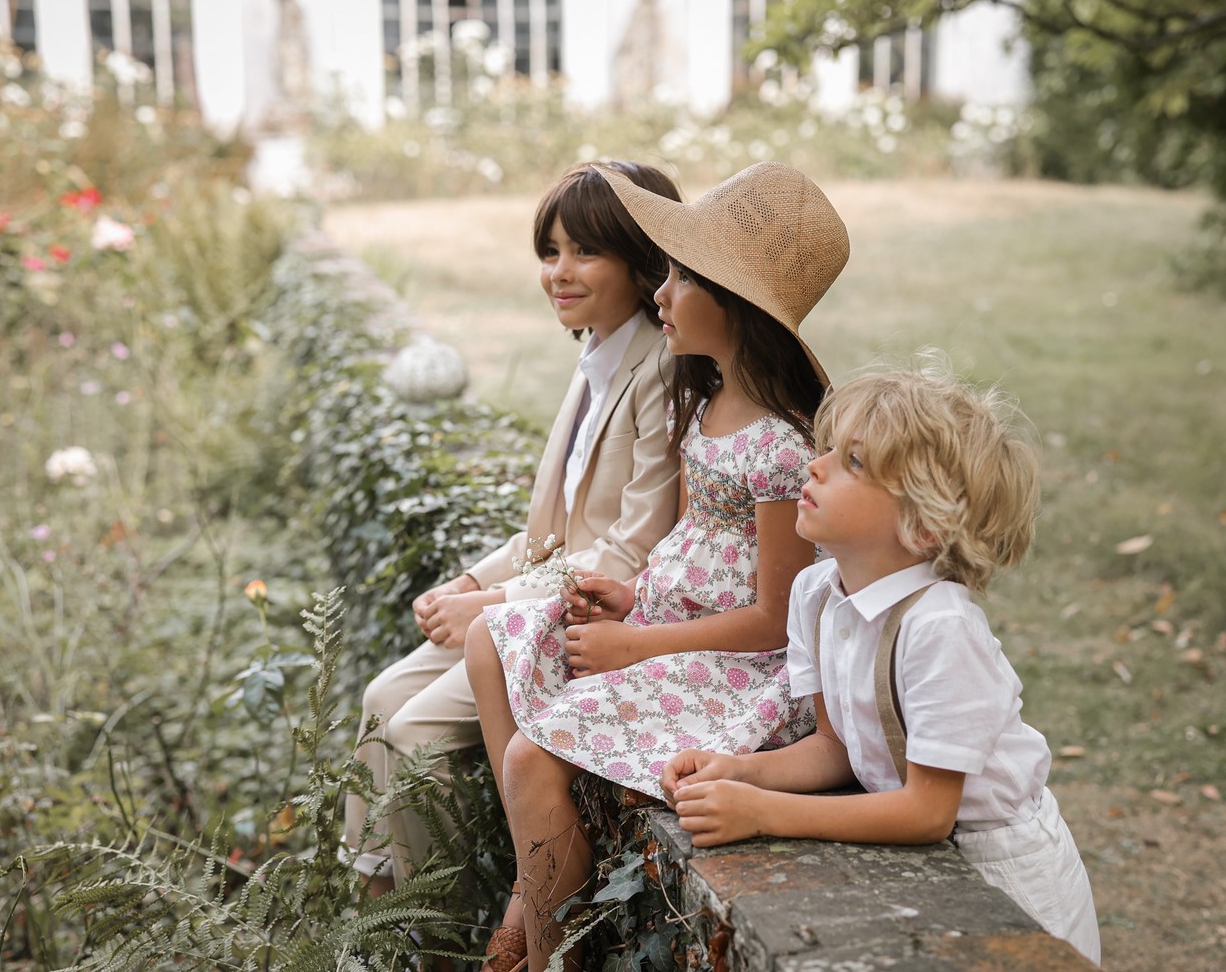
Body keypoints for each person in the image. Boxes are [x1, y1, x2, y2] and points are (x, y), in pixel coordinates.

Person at [464, 161, 851, 972]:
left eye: (679, 277)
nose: (661, 294)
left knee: (532, 756)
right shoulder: (705, 402)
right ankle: (529, 886)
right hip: (670, 626)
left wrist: (635, 646)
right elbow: (704, 553)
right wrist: (632, 596)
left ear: (734, 301)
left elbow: (774, 621)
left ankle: (549, 951)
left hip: (734, 672)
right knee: (496, 640)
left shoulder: (778, 447)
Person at [661, 362, 1103, 966]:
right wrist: (739, 771)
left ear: (921, 524)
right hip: (919, 859)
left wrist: (763, 812)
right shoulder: (817, 594)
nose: (814, 465)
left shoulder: (939, 627)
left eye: (853, 463)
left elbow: (927, 811)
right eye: (830, 448)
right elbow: (834, 747)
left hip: (1006, 871)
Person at [341, 162, 683, 918]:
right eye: (549, 251)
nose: (558, 272)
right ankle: (373, 906)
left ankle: (445, 926)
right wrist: (470, 584)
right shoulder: (595, 349)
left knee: (416, 736)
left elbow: (631, 550)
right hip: (530, 594)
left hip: (594, 616)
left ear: (642, 261)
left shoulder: (661, 368)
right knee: (378, 699)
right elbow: (550, 527)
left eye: (584, 252)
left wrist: (494, 604)